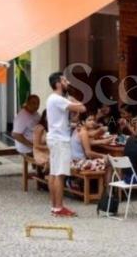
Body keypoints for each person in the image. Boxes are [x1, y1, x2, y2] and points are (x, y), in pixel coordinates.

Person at [46, 72, 86, 217]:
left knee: (53, 172)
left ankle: (54, 206)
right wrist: (70, 95)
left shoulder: (53, 99)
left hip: (55, 138)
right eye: (64, 80)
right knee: (60, 174)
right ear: (58, 84)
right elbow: (82, 108)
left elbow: (70, 116)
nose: (67, 82)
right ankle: (59, 207)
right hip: (60, 141)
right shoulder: (58, 99)